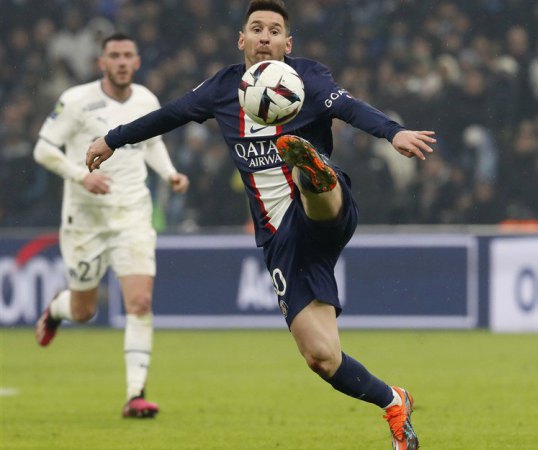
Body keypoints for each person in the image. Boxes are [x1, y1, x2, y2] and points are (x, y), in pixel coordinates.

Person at [86, 1, 434, 447]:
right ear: (242, 40)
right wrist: (112, 139)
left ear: (288, 43)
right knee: (322, 357)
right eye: (256, 28)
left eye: (274, 30)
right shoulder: (221, 89)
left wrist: (392, 131)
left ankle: (311, 170)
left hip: (324, 211)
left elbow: (350, 108)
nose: (265, 37)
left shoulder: (309, 77)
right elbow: (169, 115)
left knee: (311, 183)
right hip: (280, 240)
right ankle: (393, 401)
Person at [34, 32, 190, 418]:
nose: (121, 62)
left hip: (132, 213)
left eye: (127, 56)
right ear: (101, 63)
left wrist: (169, 173)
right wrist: (81, 175)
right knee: (83, 311)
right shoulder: (76, 100)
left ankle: (136, 394)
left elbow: (152, 143)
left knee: (139, 302)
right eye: (114, 56)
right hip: (85, 218)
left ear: (137, 62)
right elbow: (43, 149)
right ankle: (56, 310)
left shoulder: (146, 100)